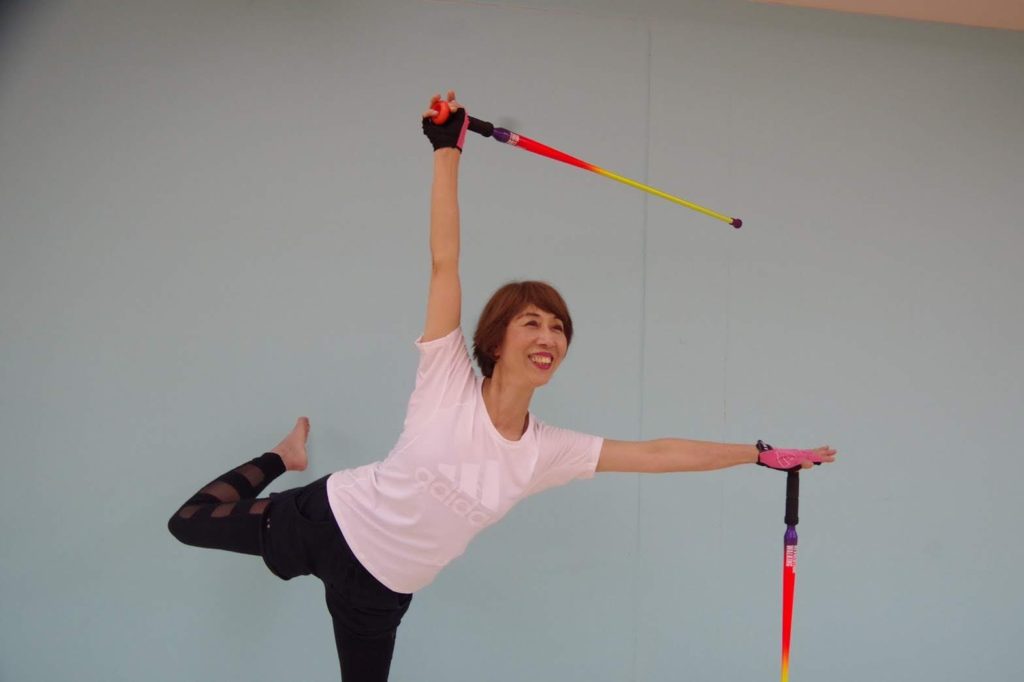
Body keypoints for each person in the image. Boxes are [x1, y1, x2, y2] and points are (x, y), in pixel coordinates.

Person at [167, 90, 838, 682]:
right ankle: (283, 457)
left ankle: (288, 463)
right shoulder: (447, 377)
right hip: (330, 521)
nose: (549, 336)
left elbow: (657, 453)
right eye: (532, 322)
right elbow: (445, 261)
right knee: (187, 523)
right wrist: (447, 151)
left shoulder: (547, 452)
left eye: (559, 328)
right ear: (496, 339)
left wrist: (756, 454)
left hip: (381, 591)